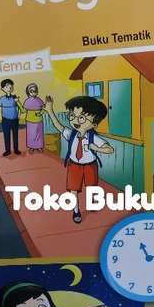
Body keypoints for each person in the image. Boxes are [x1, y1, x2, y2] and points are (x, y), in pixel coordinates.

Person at [44, 95, 114, 224]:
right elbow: (59, 126)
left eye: (81, 118)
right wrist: (50, 110)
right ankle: (76, 210)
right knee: (73, 189)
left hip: (90, 165)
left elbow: (109, 149)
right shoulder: (71, 134)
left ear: (94, 124)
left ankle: (91, 201)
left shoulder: (94, 138)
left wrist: (97, 148)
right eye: (72, 115)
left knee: (91, 187)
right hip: (74, 165)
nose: (75, 120)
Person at [22, 83, 45, 153]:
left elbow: (44, 108)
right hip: (30, 120)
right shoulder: (27, 101)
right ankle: (31, 147)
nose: (33, 93)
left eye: (35, 91)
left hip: (38, 120)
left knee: (39, 134)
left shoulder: (39, 100)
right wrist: (17, 102)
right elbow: (23, 110)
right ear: (28, 92)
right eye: (31, 91)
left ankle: (39, 147)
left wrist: (40, 113)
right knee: (31, 134)